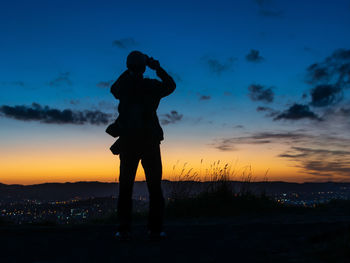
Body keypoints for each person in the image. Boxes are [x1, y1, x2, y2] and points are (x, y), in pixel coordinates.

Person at [107, 51, 176, 240]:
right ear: (144, 67)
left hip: (129, 142)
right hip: (150, 142)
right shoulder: (151, 86)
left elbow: (114, 89)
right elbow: (171, 86)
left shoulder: (125, 86)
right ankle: (155, 229)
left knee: (126, 187)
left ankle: (124, 229)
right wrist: (157, 68)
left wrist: (129, 70)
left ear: (129, 67)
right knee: (154, 187)